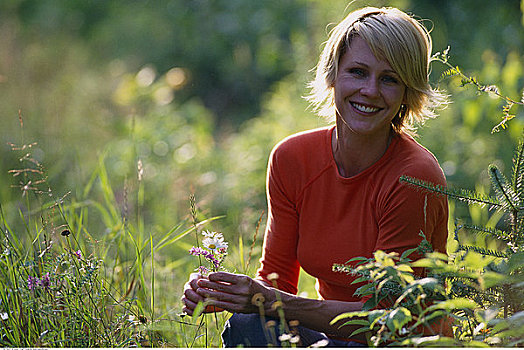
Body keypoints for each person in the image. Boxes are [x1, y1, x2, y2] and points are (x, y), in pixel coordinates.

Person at [182, 6, 449, 347]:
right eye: (357, 71)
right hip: (329, 340)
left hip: (399, 343)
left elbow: (391, 321)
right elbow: (276, 280)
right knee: (250, 322)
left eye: (389, 79)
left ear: (407, 93)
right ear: (333, 74)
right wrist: (226, 293)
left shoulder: (414, 177)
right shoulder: (293, 159)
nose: (369, 90)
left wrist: (266, 299)